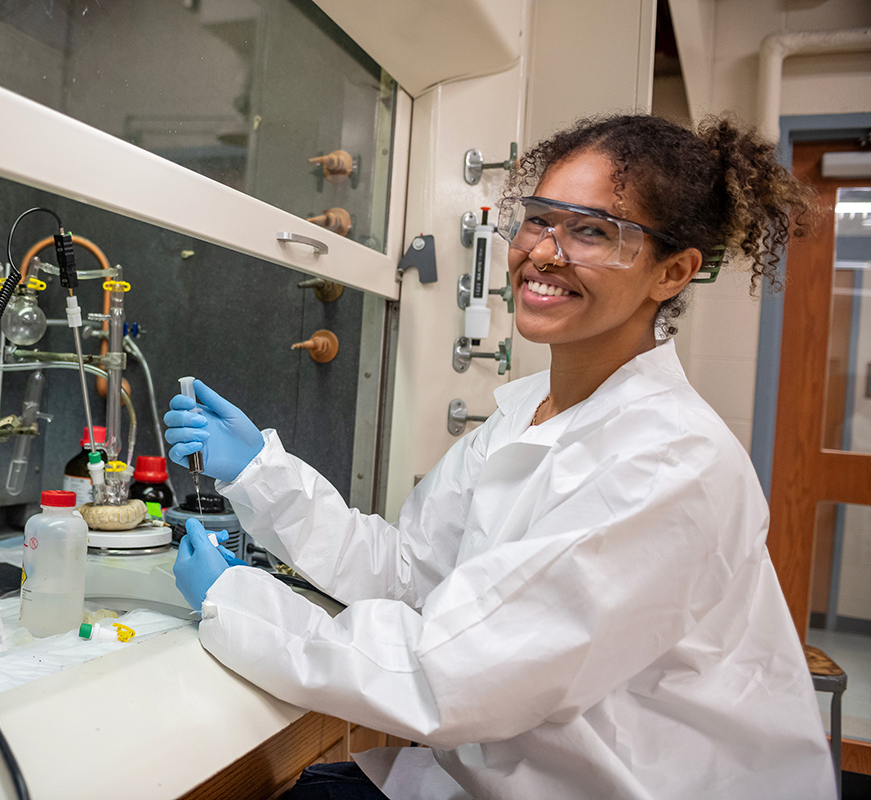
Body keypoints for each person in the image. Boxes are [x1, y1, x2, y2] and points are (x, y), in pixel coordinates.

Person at [164, 113, 834, 800]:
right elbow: (409, 575)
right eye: (541, 218)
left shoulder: (671, 463)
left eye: (593, 231)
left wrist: (235, 602)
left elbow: (452, 677)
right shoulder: (527, 409)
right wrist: (259, 474)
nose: (545, 252)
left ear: (674, 271)